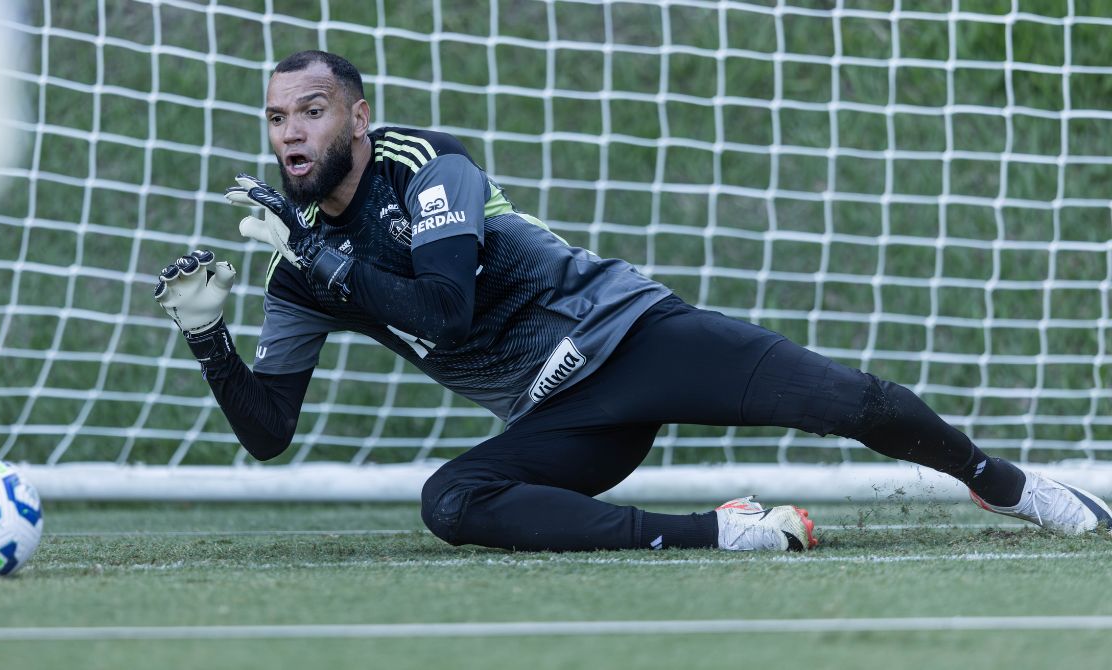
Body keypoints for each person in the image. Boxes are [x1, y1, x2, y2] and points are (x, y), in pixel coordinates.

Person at [153, 50, 1112, 553]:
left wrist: (322, 259)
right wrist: (210, 336)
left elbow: (442, 309)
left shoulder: (426, 168)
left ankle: (1008, 484)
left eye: (310, 110)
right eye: (277, 116)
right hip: (563, 412)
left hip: (630, 334)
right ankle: (726, 534)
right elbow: (270, 429)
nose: (290, 132)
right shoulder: (295, 258)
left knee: (848, 404)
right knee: (451, 502)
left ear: (356, 117)